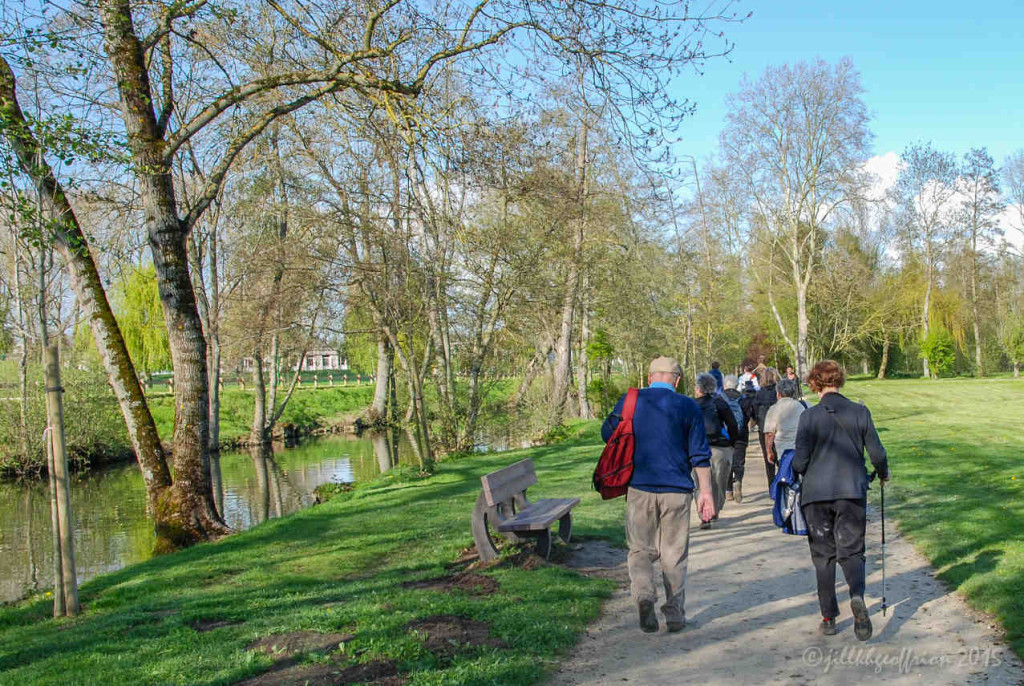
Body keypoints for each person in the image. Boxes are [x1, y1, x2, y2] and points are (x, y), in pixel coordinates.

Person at [602, 356, 715, 634]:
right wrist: (706, 494)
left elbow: (608, 434)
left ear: (649, 377)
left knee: (640, 549)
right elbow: (700, 454)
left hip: (639, 487)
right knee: (673, 553)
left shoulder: (630, 401)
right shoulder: (688, 405)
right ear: (676, 380)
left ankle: (643, 596)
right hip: (676, 490)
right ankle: (675, 614)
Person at [793, 360, 890, 641]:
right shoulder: (860, 411)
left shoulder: (808, 417)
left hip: (816, 494)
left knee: (823, 556)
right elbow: (878, 454)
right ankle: (857, 595)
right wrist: (882, 474)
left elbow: (800, 463)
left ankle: (829, 617)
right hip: (851, 490)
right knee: (852, 550)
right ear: (840, 380)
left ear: (815, 382)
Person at [693, 372, 739, 528]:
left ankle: (704, 515)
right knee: (719, 482)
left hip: (698, 449)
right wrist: (732, 443)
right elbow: (732, 424)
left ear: (698, 388)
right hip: (719, 447)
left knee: (700, 482)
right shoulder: (719, 403)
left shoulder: (691, 405)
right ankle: (714, 510)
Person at [722, 375, 752, 504]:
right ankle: (738, 480)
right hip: (741, 435)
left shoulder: (719, 399)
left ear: (724, 385)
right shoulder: (744, 399)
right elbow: (749, 417)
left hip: (726, 436)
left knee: (728, 462)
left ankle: (728, 491)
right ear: (736, 385)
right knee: (739, 462)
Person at [763, 378, 805, 465]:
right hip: (801, 449)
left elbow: (770, 434)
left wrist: (769, 451)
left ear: (778, 394)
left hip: (783, 451)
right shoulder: (802, 406)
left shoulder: (774, 409)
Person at [753, 367, 780, 489]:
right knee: (781, 456)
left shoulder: (759, 394)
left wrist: (758, 422)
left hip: (764, 429)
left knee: (768, 459)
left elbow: (754, 411)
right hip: (779, 428)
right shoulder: (779, 392)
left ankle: (771, 486)